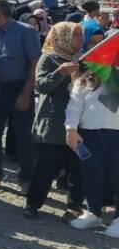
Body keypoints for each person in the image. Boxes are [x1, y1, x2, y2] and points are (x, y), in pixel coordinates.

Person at [24, 22, 85, 220]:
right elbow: (41, 86)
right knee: (46, 166)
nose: (79, 39)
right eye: (74, 35)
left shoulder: (84, 59)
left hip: (79, 124)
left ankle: (73, 208)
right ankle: (33, 204)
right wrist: (60, 73)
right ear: (62, 37)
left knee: (78, 168)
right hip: (54, 124)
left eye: (80, 35)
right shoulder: (49, 58)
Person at [0, 0, 40, 191]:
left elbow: (34, 64)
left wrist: (25, 93)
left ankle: (26, 178)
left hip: (19, 88)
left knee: (23, 134)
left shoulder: (26, 32)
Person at [64, 68, 119, 234]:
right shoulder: (82, 80)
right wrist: (71, 129)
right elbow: (74, 105)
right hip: (89, 135)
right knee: (91, 173)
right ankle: (93, 213)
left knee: (116, 176)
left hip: (116, 135)